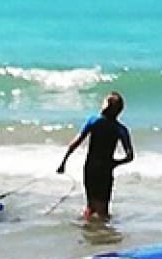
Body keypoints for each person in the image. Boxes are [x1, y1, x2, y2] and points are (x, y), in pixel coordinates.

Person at [57, 92, 134, 220]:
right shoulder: (120, 129)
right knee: (103, 207)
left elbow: (75, 143)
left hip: (90, 167)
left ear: (106, 107)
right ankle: (101, 232)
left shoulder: (93, 121)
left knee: (90, 204)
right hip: (106, 169)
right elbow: (130, 156)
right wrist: (114, 163)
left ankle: (89, 229)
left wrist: (63, 163)